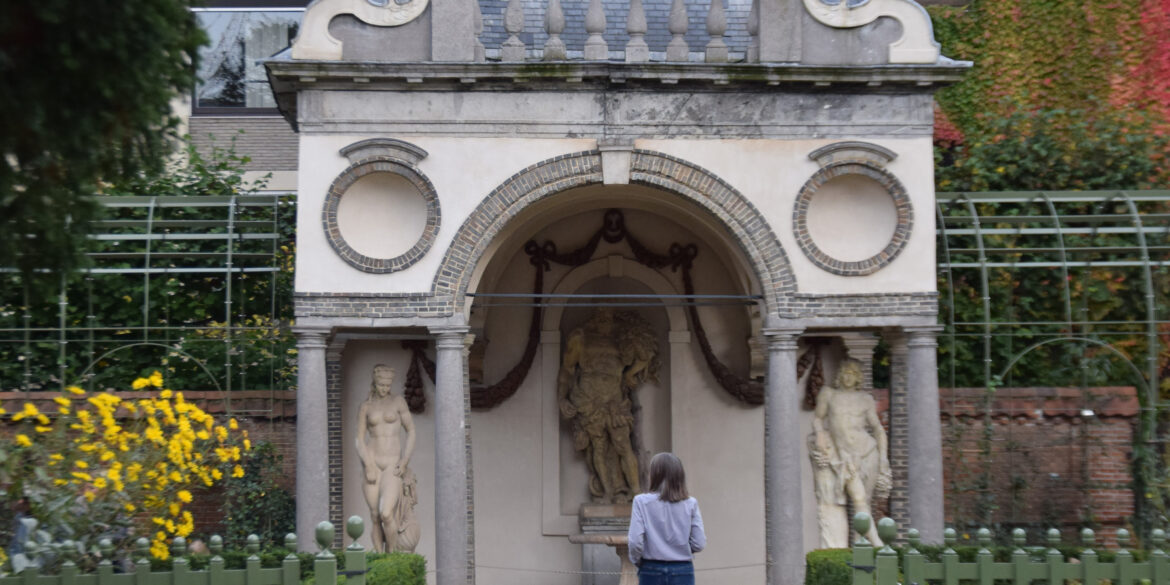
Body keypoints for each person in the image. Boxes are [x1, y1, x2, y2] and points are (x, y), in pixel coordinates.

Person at [809, 359, 891, 547]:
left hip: (867, 452)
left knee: (865, 502)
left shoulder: (865, 399)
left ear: (858, 378)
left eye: (853, 374)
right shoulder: (829, 394)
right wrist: (820, 433)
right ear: (840, 375)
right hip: (844, 456)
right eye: (846, 373)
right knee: (859, 498)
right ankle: (878, 544)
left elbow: (878, 430)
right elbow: (818, 419)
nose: (848, 377)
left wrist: (884, 459)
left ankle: (861, 548)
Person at [355, 364, 420, 553]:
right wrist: (367, 464)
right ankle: (379, 558)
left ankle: (392, 556)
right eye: (381, 384)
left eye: (387, 385)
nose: (385, 388)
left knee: (386, 513)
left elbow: (411, 431)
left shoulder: (398, 402)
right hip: (373, 463)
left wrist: (404, 460)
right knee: (375, 516)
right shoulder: (365, 406)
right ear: (375, 382)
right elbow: (359, 439)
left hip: (392, 465)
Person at [627, 452, 706, 585]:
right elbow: (699, 543)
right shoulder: (691, 503)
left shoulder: (641, 502)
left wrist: (637, 560)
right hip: (682, 569)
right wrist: (680, 549)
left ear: (654, 475)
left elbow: (635, 542)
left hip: (650, 568)